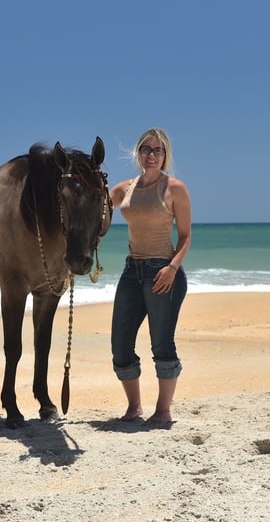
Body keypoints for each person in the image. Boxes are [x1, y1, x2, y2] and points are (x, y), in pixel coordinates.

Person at [109, 127, 192, 425]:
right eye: (146, 149)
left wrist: (171, 267)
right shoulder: (124, 188)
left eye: (157, 150)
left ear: (165, 155)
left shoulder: (175, 189)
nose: (151, 155)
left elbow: (185, 237)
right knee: (120, 344)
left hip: (163, 272)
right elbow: (96, 211)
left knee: (162, 344)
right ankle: (134, 408)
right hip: (131, 271)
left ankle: (163, 411)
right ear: (138, 153)